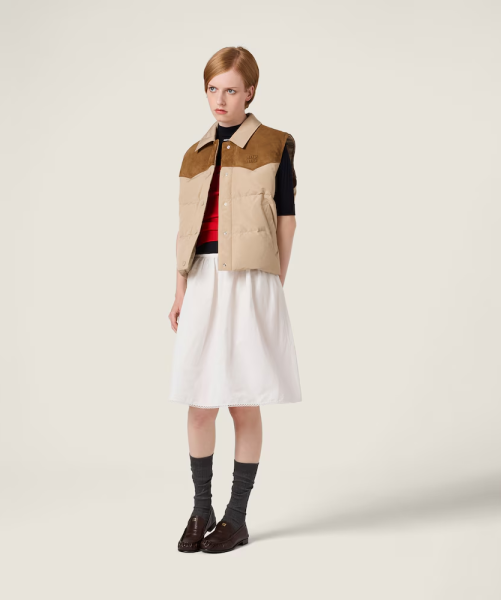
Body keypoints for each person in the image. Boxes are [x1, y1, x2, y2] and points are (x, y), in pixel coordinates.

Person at [168, 46, 302, 554]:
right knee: (200, 403)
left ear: (250, 92)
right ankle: (200, 510)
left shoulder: (275, 144)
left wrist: (274, 282)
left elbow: (286, 220)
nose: (220, 99)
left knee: (243, 402)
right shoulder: (193, 154)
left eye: (230, 90)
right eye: (212, 89)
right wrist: (180, 290)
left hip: (250, 280)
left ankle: (236, 517)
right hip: (202, 279)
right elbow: (185, 230)